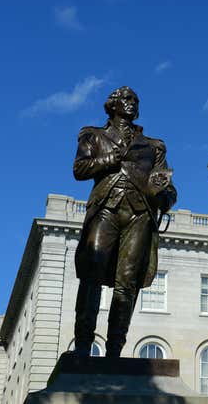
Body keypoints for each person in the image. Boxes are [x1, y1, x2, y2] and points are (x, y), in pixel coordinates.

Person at [72, 86, 177, 357]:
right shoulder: (93, 135)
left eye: (136, 101)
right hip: (106, 208)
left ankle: (115, 349)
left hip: (140, 214)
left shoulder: (154, 146)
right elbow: (79, 169)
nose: (132, 104)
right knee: (91, 276)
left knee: (127, 282)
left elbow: (166, 183)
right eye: (127, 99)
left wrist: (166, 197)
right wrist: (111, 159)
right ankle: (83, 345)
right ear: (113, 105)